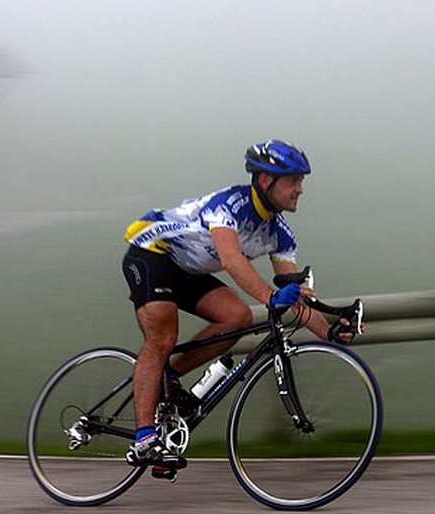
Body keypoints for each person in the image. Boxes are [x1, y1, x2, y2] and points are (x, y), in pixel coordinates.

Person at [121, 139, 358, 472]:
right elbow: (231, 259)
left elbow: (297, 298)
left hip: (188, 269)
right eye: (294, 180)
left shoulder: (281, 235)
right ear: (265, 181)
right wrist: (269, 297)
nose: (300, 189)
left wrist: (329, 332)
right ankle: (144, 438)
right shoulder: (229, 205)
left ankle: (166, 378)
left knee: (238, 317)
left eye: (301, 181)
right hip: (152, 253)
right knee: (162, 336)